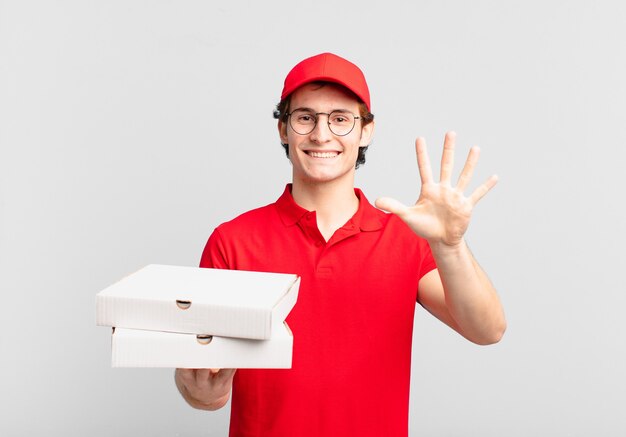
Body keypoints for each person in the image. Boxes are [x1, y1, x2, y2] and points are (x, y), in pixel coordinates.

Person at [175, 52, 506, 436]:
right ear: (283, 129)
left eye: (340, 119)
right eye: (305, 118)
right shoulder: (233, 241)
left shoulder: (406, 238)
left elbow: (487, 330)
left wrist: (450, 245)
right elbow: (201, 382)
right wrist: (201, 392)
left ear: (366, 131)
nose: (321, 134)